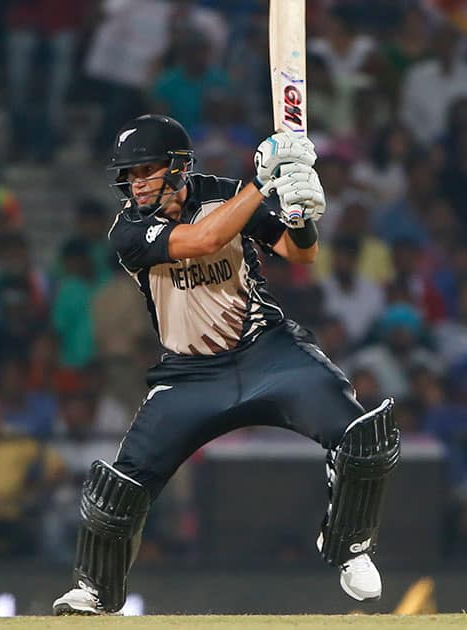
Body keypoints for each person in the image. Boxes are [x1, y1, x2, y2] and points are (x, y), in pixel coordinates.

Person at [52, 115, 400, 615]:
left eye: (147, 171)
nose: (136, 185)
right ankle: (96, 592)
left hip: (267, 352)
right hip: (189, 374)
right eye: (130, 176)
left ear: (178, 167)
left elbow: (299, 253)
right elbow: (202, 242)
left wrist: (300, 217)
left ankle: (349, 547)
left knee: (363, 436)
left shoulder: (226, 193)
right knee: (119, 487)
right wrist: (263, 184)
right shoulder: (128, 229)